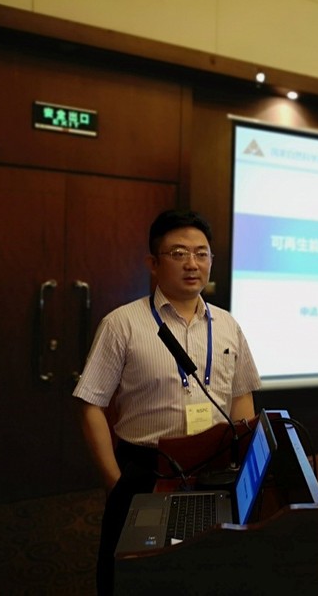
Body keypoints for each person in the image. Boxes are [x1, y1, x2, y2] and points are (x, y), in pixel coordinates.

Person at [73, 209, 261, 595]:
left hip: (213, 468)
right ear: (153, 264)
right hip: (146, 469)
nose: (192, 263)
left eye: (201, 253)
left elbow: (241, 395)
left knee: (209, 572)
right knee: (133, 576)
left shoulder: (228, 324)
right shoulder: (122, 324)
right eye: (178, 253)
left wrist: (241, 464)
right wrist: (114, 481)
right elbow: (91, 404)